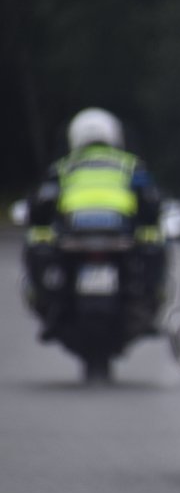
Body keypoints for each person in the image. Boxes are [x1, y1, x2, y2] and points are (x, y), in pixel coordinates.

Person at [24, 108, 164, 341]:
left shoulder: (63, 167)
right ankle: (145, 301)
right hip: (119, 233)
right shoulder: (130, 165)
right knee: (153, 240)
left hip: (74, 234)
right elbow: (151, 201)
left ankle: (51, 306)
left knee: (38, 240)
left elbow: (42, 203)